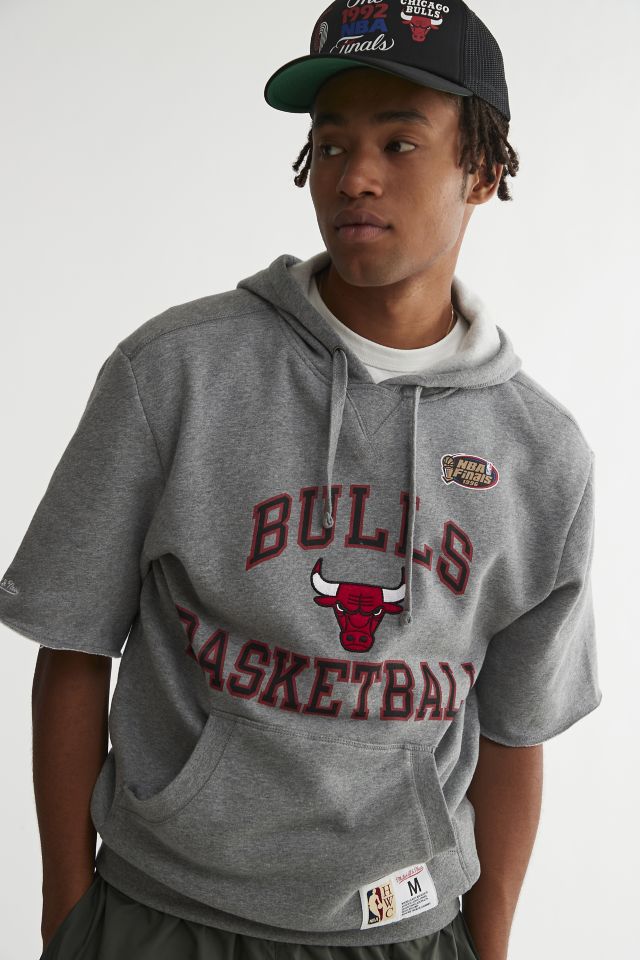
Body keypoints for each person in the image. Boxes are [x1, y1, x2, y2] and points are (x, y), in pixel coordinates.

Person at [0, 1, 602, 958]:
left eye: (400, 143)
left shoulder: (541, 453)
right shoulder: (174, 373)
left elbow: (514, 730)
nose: (354, 175)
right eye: (329, 145)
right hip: (163, 916)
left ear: (482, 170)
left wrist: (487, 951)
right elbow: (73, 645)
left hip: (407, 929)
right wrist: (66, 915)